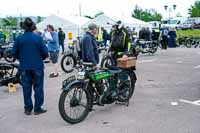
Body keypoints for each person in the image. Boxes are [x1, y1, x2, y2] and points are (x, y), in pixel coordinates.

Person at [12, 18, 48, 115]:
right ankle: (37, 108)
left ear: (24, 28)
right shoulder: (38, 38)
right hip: (37, 66)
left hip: (24, 67)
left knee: (26, 88)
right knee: (38, 88)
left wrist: (21, 58)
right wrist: (40, 58)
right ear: (32, 27)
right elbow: (45, 52)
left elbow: (13, 53)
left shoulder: (19, 38)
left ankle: (28, 108)